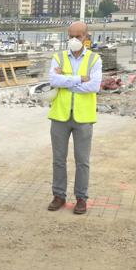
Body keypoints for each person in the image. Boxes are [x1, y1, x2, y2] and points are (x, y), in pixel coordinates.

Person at [47, 21, 102, 215]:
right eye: (71, 36)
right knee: (58, 159)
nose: (74, 40)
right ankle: (58, 195)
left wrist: (66, 81)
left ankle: (81, 198)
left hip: (84, 117)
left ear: (86, 37)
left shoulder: (95, 60)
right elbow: (53, 80)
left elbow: (94, 86)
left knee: (82, 161)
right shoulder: (59, 57)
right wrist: (79, 79)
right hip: (60, 115)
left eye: (78, 36)